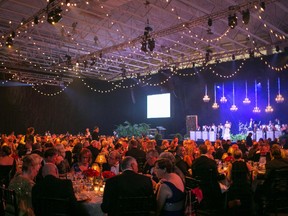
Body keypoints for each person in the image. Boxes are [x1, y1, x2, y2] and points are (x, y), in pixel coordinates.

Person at [192, 144, 223, 212]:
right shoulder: (211, 162)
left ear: (199, 151)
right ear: (207, 151)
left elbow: (193, 176)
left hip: (199, 186)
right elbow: (216, 176)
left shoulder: (195, 162)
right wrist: (223, 176)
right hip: (211, 187)